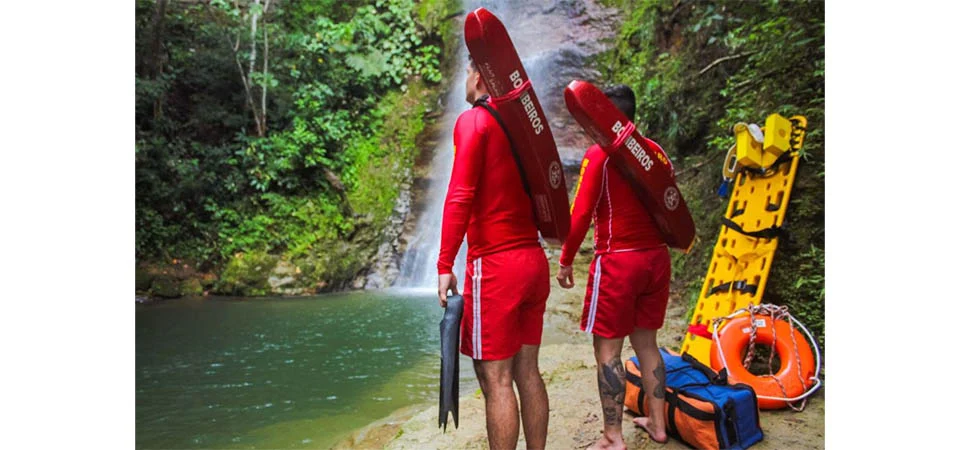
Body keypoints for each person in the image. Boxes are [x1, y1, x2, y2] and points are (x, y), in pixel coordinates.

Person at [437, 58, 551, 450]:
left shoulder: (473, 121)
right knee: (528, 372)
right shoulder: (522, 126)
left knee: (496, 378)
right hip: (534, 262)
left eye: (466, 74)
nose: (463, 82)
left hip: (496, 267)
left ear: (480, 76)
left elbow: (460, 195)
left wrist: (444, 263)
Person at [556, 84, 671, 448]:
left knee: (608, 352)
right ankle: (658, 425)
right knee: (648, 345)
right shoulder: (656, 152)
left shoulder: (601, 156)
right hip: (656, 261)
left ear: (608, 116)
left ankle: (612, 436)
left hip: (618, 263)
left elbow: (580, 215)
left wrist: (565, 261)